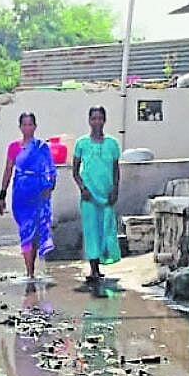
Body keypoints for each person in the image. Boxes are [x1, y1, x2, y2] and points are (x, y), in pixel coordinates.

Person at [0, 113, 56, 279]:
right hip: (20, 193)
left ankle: (32, 267)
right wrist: (2, 195)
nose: (27, 128)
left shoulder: (41, 146)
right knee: (25, 230)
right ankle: (29, 271)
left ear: (35, 126)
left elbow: (51, 170)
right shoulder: (14, 147)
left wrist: (50, 187)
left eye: (30, 124)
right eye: (24, 124)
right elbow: (8, 170)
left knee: (36, 231)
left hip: (39, 192)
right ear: (20, 127)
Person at [72, 106, 122, 283]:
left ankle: (101, 264)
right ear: (89, 120)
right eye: (93, 118)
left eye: (100, 118)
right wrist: (82, 188)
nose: (96, 122)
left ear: (104, 120)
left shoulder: (112, 144)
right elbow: (75, 171)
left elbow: (116, 170)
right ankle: (93, 269)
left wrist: (115, 189)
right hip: (89, 196)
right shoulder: (81, 144)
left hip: (106, 194)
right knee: (91, 231)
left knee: (106, 229)